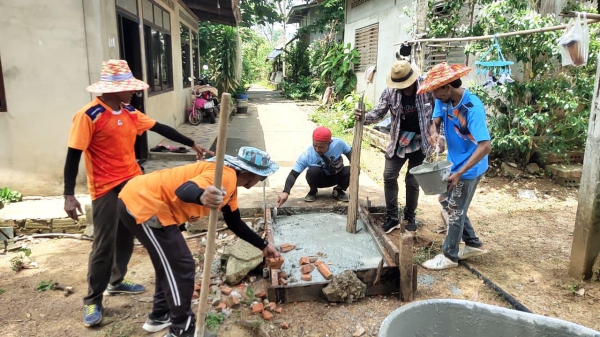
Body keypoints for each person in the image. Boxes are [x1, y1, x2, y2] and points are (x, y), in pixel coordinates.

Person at [63, 59, 213, 327]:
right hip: (105, 188)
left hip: (134, 183)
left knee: (129, 235)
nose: (134, 92)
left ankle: (116, 280)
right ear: (111, 89)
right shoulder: (88, 116)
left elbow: (160, 128)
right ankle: (93, 300)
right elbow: (73, 155)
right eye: (128, 88)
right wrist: (68, 194)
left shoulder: (130, 111)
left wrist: (192, 143)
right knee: (104, 242)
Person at [117, 147, 281, 336]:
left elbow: (234, 222)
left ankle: (160, 315)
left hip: (148, 200)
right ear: (252, 175)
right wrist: (201, 196)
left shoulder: (231, 187)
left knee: (171, 264)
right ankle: (182, 330)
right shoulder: (225, 175)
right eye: (261, 177)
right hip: (144, 202)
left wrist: (263, 245)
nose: (260, 181)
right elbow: (184, 189)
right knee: (181, 266)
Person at [417, 62, 491, 270]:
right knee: (446, 200)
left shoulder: (471, 108)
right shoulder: (444, 100)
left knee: (455, 209)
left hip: (469, 167)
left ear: (447, 87)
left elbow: (485, 146)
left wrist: (460, 172)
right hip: (454, 163)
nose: (434, 97)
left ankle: (449, 256)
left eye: (436, 92)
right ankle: (473, 244)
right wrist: (435, 135)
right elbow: (436, 121)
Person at [354, 60, 438, 233]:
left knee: (412, 180)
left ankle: (409, 216)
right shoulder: (390, 92)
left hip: (420, 141)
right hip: (398, 140)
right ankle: (392, 217)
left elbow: (440, 111)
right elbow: (378, 113)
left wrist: (438, 133)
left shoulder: (427, 88)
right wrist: (363, 116)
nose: (402, 87)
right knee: (389, 176)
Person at [277, 126, 352, 207]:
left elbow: (350, 152)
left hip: (337, 175)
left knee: (353, 169)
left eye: (321, 147)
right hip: (319, 180)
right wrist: (286, 191)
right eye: (315, 145)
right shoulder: (307, 154)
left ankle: (339, 190)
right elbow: (293, 174)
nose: (317, 149)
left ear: (330, 142)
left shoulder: (339, 143)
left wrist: (352, 162)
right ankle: (313, 191)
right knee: (312, 171)